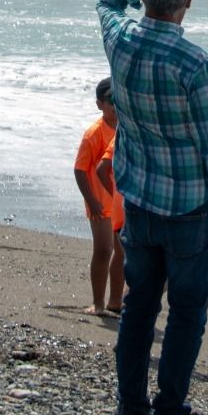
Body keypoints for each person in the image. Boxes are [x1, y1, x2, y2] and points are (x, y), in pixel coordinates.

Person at [98, 0, 208, 415]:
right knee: (185, 312)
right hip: (189, 207)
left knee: (139, 305)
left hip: (139, 197)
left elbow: (105, 2)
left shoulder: (120, 39)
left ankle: (131, 407)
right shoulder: (194, 63)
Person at [73, 77, 125, 315]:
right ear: (99, 104)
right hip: (99, 204)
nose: (115, 105)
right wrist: (92, 201)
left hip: (120, 204)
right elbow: (80, 170)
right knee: (104, 250)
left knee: (121, 253)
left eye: (118, 99)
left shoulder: (127, 130)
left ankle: (116, 301)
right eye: (110, 100)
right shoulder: (94, 133)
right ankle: (98, 302)